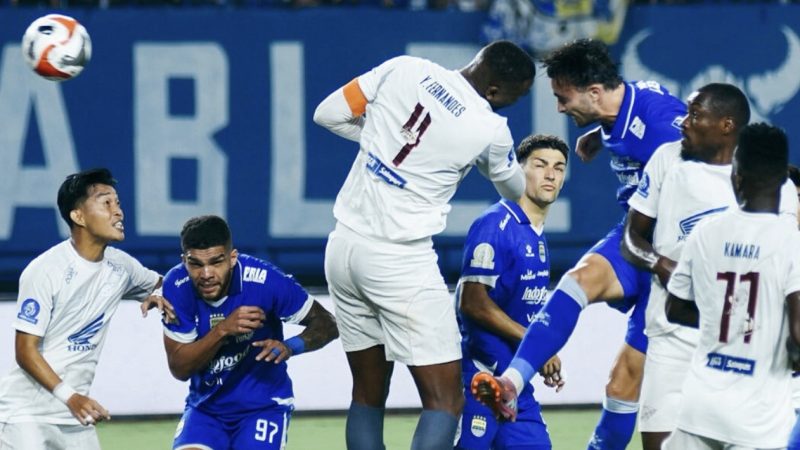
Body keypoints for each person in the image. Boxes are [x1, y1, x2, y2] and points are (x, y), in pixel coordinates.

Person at [313, 40, 535, 450]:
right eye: (515, 97)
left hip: (342, 250)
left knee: (367, 393)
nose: (511, 105)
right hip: (399, 262)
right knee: (445, 400)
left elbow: (327, 114)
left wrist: (378, 142)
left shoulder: (404, 67)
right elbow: (514, 189)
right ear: (495, 91)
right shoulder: (490, 129)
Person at [472, 38, 686, 450]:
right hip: (634, 237)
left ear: (592, 93)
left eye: (562, 98)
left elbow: (708, 165)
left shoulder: (662, 127)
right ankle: (512, 383)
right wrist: (599, 134)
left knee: (624, 381)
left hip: (670, 255)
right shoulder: (618, 107)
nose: (558, 108)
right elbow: (623, 126)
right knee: (577, 280)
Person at [622, 83, 799, 449]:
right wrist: (659, 264)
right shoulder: (666, 160)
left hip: (745, 351)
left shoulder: (774, 193)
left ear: (726, 124)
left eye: (695, 115)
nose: (683, 123)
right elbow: (631, 239)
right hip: (673, 340)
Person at [0, 168, 175, 450]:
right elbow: (25, 351)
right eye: (106, 203)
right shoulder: (45, 270)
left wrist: (156, 291)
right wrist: (71, 397)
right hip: (25, 414)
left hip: (74, 418)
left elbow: (168, 285)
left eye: (117, 203)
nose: (118, 212)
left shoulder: (122, 266)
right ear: (78, 216)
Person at [662, 122, 800, 449]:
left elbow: (675, 308)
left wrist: (719, 320)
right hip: (759, 419)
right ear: (783, 179)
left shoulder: (706, 232)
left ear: (736, 175)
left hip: (700, 406)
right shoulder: (790, 243)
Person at [161, 215, 338, 450]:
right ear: (184, 261)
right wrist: (223, 330)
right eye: (196, 264)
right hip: (205, 410)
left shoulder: (266, 281)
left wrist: (289, 347)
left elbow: (327, 323)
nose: (206, 274)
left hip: (263, 407)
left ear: (232, 258)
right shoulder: (176, 285)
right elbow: (180, 369)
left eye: (216, 262)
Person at [457, 134, 568, 450]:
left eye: (559, 168)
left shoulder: (537, 236)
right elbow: (473, 303)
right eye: (540, 165)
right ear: (520, 171)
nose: (550, 174)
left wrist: (537, 354)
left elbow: (519, 311)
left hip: (513, 383)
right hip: (477, 379)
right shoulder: (496, 223)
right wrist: (535, 342)